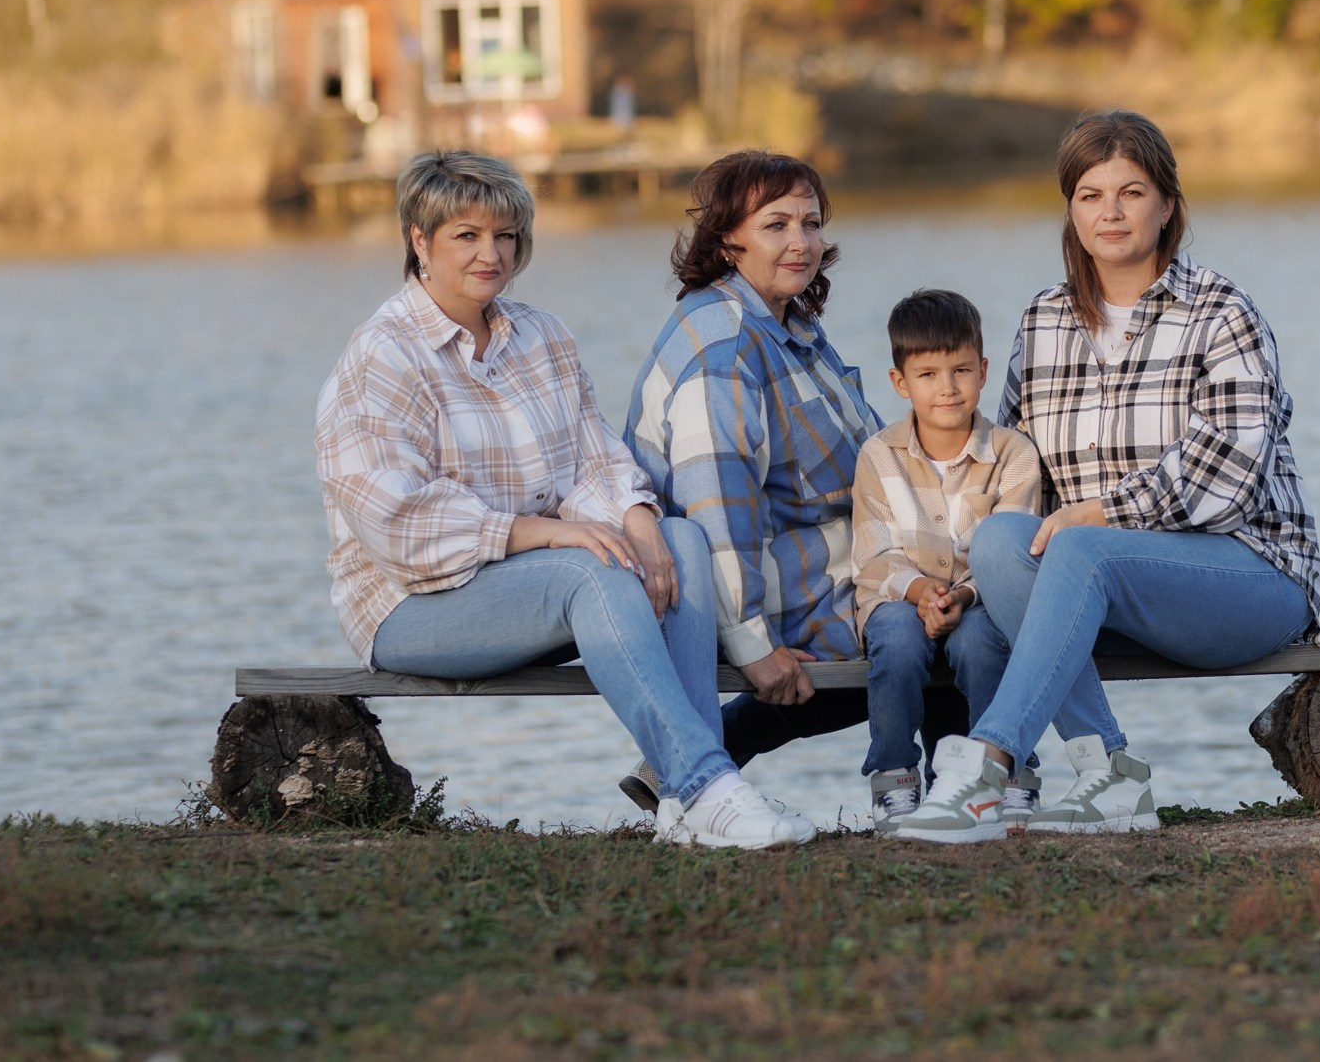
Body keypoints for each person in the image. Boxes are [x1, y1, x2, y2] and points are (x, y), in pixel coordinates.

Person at [314, 150, 812, 849]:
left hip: (532, 581)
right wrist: (547, 535)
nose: (491, 253)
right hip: (409, 603)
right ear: (419, 242)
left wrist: (637, 518)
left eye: (506, 235)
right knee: (589, 568)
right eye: (466, 235)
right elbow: (396, 523)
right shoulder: (382, 357)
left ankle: (688, 796)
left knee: (681, 538)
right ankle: (706, 783)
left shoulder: (539, 335)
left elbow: (592, 459)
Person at [895, 111, 1320, 844]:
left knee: (1077, 545)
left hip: (1255, 574)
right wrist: (966, 581)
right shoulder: (1045, 320)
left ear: (1167, 203)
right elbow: (1018, 475)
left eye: (1131, 191)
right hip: (1102, 580)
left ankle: (985, 764)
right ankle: (1109, 775)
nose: (1111, 211)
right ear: (1070, 209)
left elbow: (1230, 473)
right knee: (1003, 538)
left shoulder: (1222, 313)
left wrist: (1101, 512)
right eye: (1091, 194)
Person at [623, 150, 970, 809]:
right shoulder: (722, 352)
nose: (801, 242)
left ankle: (705, 751)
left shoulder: (789, 323)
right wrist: (754, 648)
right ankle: (960, 793)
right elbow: (715, 514)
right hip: (769, 587)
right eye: (776, 224)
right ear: (729, 238)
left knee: (955, 578)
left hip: (824, 554)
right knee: (943, 615)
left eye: (810, 224)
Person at [849, 289, 1043, 834]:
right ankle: (895, 778)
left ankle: (1001, 772)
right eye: (928, 374)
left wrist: (961, 594)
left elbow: (1018, 545)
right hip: (897, 598)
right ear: (900, 382)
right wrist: (920, 594)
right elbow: (873, 555)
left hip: (980, 597)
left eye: (960, 370)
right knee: (897, 642)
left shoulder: (1012, 452)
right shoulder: (878, 456)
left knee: (984, 643)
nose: (947, 387)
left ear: (983, 371)